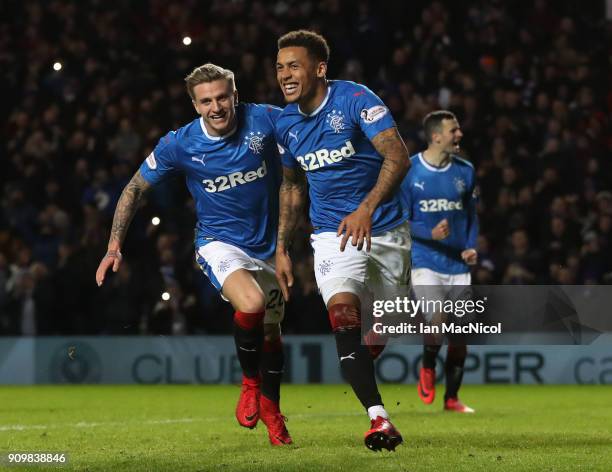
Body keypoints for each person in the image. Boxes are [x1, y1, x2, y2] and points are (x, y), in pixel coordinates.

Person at [95, 63, 292, 445]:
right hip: (219, 243)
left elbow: (310, 142)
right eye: (206, 101)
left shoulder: (267, 120)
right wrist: (114, 243)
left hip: (267, 247)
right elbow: (135, 188)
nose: (216, 107)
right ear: (194, 104)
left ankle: (273, 410)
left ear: (235, 95)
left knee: (271, 332)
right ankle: (250, 384)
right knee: (250, 304)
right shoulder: (180, 143)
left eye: (222, 98)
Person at [273, 30, 411, 451]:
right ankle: (379, 419)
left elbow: (398, 156)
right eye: (279, 67)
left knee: (387, 324)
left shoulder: (355, 100)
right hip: (333, 235)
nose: (285, 75)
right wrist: (282, 246)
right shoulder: (285, 123)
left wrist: (366, 207)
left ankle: (369, 352)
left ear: (319, 68)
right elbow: (293, 186)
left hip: (386, 228)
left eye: (294, 65)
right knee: (342, 317)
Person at [400, 110, 478, 413]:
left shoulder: (466, 171)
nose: (459, 135)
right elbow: (401, 221)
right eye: (453, 130)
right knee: (439, 318)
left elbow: (472, 215)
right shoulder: (411, 172)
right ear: (436, 137)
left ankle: (452, 399)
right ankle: (428, 365)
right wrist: (428, 233)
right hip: (425, 261)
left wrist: (471, 246)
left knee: (460, 337)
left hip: (458, 265)